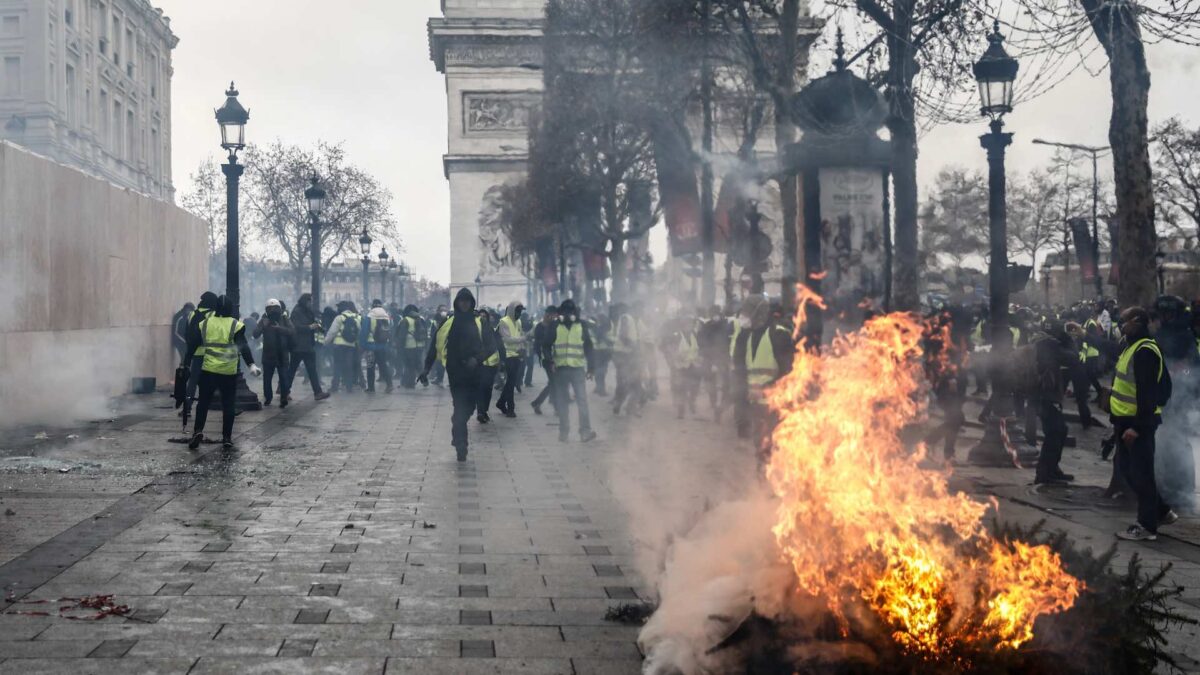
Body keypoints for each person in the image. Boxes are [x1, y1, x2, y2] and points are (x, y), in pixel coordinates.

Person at [1113, 307, 1177, 541]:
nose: (1121, 324)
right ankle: (1161, 511)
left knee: (1141, 474)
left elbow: (1147, 394)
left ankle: (1147, 526)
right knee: (1128, 471)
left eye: (1125, 321)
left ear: (1137, 323)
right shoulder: (1132, 346)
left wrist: (1137, 427)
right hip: (1125, 420)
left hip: (1138, 423)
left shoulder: (1145, 351)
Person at [420, 288, 495, 461]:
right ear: (457, 302)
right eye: (461, 301)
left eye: (467, 301)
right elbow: (435, 346)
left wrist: (477, 359)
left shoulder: (480, 322)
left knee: (469, 408)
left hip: (475, 372)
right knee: (460, 408)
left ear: (472, 303)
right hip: (455, 372)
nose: (464, 304)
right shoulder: (448, 322)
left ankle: (457, 427)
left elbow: (491, 346)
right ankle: (461, 444)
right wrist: (426, 369)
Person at [184, 296, 260, 450]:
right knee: (228, 405)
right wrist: (251, 364)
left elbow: (192, 346)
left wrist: (185, 364)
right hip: (228, 372)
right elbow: (243, 346)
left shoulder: (204, 323)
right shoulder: (235, 325)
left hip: (208, 370)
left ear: (216, 308)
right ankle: (226, 437)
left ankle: (198, 431)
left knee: (203, 403)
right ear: (231, 309)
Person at [732, 296, 794, 448]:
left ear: (758, 313)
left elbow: (789, 372)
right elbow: (740, 372)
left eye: (747, 311)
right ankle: (763, 470)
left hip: (776, 404)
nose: (743, 316)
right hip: (755, 404)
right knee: (760, 445)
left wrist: (766, 389)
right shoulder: (745, 336)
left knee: (775, 446)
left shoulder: (779, 335)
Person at [1027, 321, 1077, 485]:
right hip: (1048, 396)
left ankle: (1052, 469)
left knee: (1059, 431)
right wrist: (1069, 339)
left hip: (1039, 395)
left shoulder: (1038, 343)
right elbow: (1072, 358)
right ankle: (1045, 473)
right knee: (1055, 433)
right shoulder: (1050, 345)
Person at [543, 299, 597, 443]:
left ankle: (585, 431)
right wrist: (550, 361)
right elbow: (546, 345)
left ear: (575, 313)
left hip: (577, 369)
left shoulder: (581, 326)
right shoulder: (555, 326)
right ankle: (564, 431)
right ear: (560, 313)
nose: (567, 315)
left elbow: (589, 347)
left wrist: (591, 367)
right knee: (562, 401)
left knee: (581, 400)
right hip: (560, 369)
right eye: (564, 312)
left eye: (570, 312)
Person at [182, 292, 222, 420]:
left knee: (192, 382)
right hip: (209, 353)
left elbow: (187, 333)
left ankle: (187, 408)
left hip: (196, 353)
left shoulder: (193, 314)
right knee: (215, 381)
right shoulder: (213, 314)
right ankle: (216, 405)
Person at [284, 293, 330, 401]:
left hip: (308, 345)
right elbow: (295, 327)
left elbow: (313, 323)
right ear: (305, 301)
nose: (311, 303)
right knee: (292, 370)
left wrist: (320, 328)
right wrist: (309, 327)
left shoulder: (308, 312)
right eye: (309, 301)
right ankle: (285, 392)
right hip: (298, 346)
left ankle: (318, 393)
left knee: (312, 370)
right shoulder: (296, 311)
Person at [253, 299, 295, 408]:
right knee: (267, 379)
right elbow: (255, 334)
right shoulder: (263, 320)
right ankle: (268, 398)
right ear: (266, 310)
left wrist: (279, 328)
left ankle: (283, 398)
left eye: (275, 308)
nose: (273, 311)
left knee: (284, 378)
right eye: (270, 309)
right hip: (268, 354)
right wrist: (263, 326)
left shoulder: (285, 319)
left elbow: (292, 331)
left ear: (279, 309)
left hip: (282, 354)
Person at [663, 312, 702, 419]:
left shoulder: (695, 335)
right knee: (681, 388)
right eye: (686, 323)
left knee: (695, 387)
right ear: (682, 325)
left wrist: (700, 357)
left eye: (690, 324)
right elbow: (670, 349)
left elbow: (700, 349)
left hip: (693, 365)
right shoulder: (676, 336)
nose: (688, 326)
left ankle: (692, 402)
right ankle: (681, 410)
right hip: (680, 367)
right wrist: (675, 357)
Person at [610, 303, 643, 416]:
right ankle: (627, 406)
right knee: (633, 383)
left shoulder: (632, 320)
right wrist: (634, 347)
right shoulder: (626, 317)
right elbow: (623, 335)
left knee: (625, 382)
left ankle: (619, 404)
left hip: (624, 355)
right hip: (624, 355)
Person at [497, 301, 527, 417]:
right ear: (512, 310)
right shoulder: (503, 321)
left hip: (517, 355)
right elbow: (506, 339)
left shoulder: (519, 321)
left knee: (511, 382)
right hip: (508, 355)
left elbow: (520, 335)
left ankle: (501, 402)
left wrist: (522, 348)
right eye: (517, 311)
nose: (519, 314)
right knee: (510, 382)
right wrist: (521, 340)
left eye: (520, 311)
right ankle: (510, 408)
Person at [325, 301, 362, 394]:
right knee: (348, 367)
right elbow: (359, 332)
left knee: (337, 366)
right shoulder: (356, 318)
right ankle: (349, 387)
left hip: (339, 346)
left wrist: (325, 342)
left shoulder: (339, 318)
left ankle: (335, 386)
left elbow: (332, 332)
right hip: (351, 346)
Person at [475, 307, 503, 423]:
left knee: (488, 389)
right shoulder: (474, 331)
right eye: (480, 317)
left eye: (484, 316)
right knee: (480, 388)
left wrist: (502, 361)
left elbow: (499, 346)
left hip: (491, 364)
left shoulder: (492, 330)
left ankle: (484, 410)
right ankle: (480, 412)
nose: (482, 318)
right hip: (479, 365)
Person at [530, 306, 560, 415]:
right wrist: (545, 357)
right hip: (547, 359)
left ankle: (537, 403)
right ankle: (556, 408)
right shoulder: (540, 327)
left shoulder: (556, 326)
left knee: (553, 383)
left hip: (556, 358)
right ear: (547, 314)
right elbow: (539, 344)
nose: (554, 317)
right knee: (555, 383)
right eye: (551, 315)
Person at [362, 305, 394, 393]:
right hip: (383, 346)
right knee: (383, 365)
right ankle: (389, 384)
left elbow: (364, 332)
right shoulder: (387, 317)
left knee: (370, 366)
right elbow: (390, 331)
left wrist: (363, 345)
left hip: (371, 346)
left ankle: (371, 388)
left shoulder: (369, 317)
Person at [395, 304, 427, 388]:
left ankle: (410, 383)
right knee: (418, 364)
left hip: (409, 346)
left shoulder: (405, 320)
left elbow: (402, 335)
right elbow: (425, 332)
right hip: (420, 346)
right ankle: (424, 380)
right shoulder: (421, 319)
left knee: (409, 365)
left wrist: (399, 346)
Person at [590, 313, 613, 396]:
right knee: (601, 371)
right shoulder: (603, 328)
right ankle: (601, 389)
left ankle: (598, 387)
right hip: (602, 352)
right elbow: (602, 339)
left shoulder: (597, 328)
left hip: (597, 351)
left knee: (599, 371)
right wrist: (609, 342)